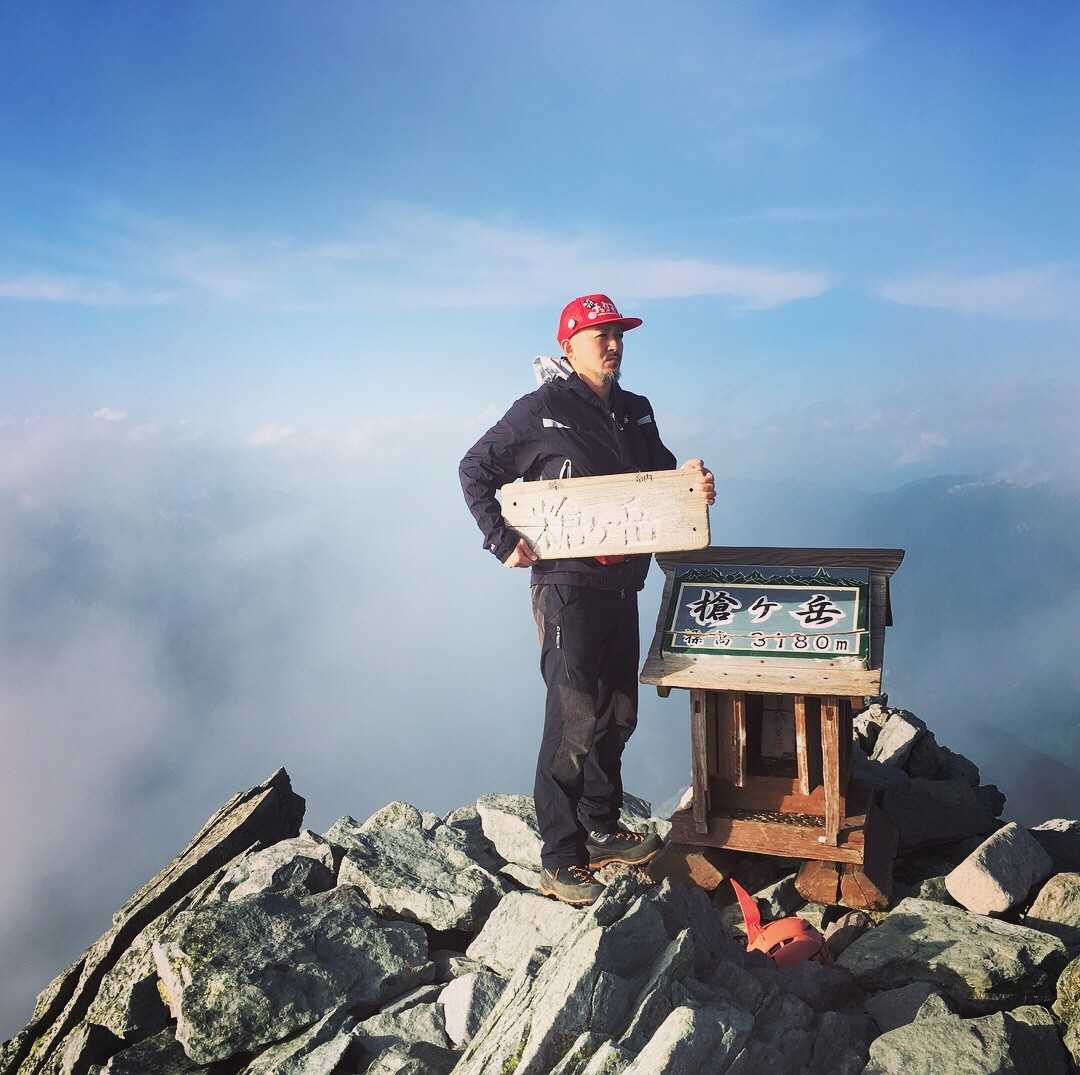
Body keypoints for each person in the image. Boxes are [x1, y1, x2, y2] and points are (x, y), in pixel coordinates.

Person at [458, 294, 715, 906]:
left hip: (622, 584)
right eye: (600, 335)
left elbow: (659, 478)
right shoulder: (542, 409)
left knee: (618, 713)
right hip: (567, 587)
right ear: (569, 346)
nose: (614, 345)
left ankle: (601, 827)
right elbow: (474, 469)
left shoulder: (635, 411)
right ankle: (561, 856)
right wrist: (501, 540)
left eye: (619, 334)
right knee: (573, 719)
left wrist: (691, 483)